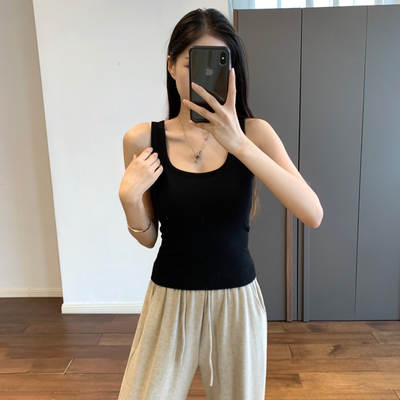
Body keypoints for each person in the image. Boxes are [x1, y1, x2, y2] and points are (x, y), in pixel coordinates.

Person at [117, 7, 323, 400]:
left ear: (233, 71)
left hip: (236, 304)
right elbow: (149, 238)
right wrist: (129, 200)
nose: (204, 76)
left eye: (219, 64)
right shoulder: (141, 140)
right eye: (191, 63)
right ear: (171, 66)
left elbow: (312, 213)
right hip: (169, 301)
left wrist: (240, 144)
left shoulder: (255, 134)